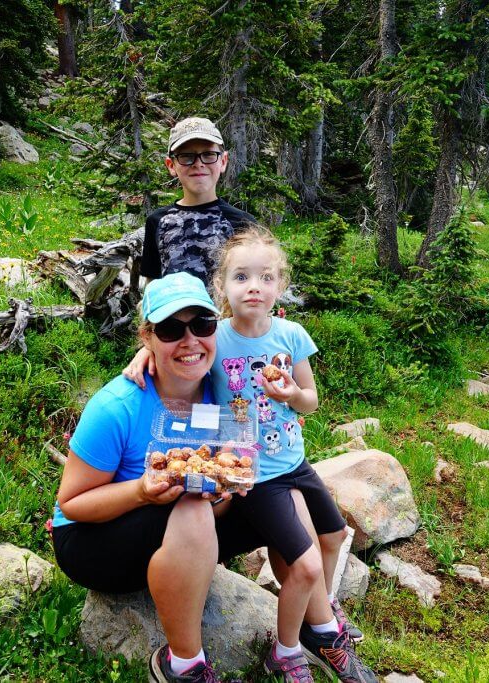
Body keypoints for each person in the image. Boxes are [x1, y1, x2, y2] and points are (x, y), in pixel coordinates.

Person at [126, 229, 377, 683]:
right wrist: (143, 357)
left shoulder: (292, 335)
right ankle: (287, 652)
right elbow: (181, 349)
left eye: (265, 276)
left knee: (337, 535)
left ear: (280, 286)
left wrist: (292, 392)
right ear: (222, 289)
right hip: (256, 477)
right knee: (302, 565)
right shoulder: (215, 335)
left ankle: (324, 609)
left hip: (295, 463)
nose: (254, 286)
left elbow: (311, 400)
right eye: (241, 277)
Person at [52, 273, 266, 683]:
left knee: (274, 492)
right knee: (189, 501)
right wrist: (141, 492)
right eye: (170, 329)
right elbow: (71, 503)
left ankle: (311, 630)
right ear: (147, 338)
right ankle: (182, 667)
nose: (189, 341)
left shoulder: (223, 389)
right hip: (92, 543)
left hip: (179, 527)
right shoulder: (118, 405)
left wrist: (227, 487)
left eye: (201, 325)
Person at [140, 116, 254, 286]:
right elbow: (152, 285)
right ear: (171, 165)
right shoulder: (157, 222)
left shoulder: (243, 223)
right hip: (173, 313)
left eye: (208, 155)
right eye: (187, 156)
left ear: (223, 161)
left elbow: (253, 283)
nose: (198, 164)